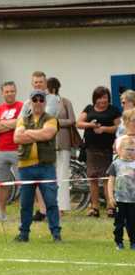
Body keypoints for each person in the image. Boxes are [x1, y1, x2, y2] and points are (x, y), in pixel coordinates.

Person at [13, 89, 61, 242]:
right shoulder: (22, 118)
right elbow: (17, 138)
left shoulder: (51, 119)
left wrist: (28, 132)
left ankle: (56, 234)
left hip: (46, 166)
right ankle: (24, 234)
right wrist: (37, 134)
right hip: (25, 167)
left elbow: (48, 134)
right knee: (25, 203)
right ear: (30, 102)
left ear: (45, 102)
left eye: (41, 100)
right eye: (35, 100)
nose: (38, 103)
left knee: (51, 201)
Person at [76, 86, 121, 218]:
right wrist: (91, 125)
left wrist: (104, 129)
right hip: (91, 149)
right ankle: (94, 207)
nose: (103, 100)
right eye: (100, 97)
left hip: (107, 149)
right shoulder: (89, 108)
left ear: (108, 98)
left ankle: (110, 206)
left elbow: (118, 127)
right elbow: (78, 123)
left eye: (105, 97)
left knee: (107, 178)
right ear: (95, 98)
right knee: (93, 178)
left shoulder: (113, 110)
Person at [0, 81, 23, 221]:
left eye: (12, 91)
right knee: (2, 183)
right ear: (2, 93)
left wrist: (2, 123)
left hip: (18, 149)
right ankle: (1, 212)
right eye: (7, 91)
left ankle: (24, 212)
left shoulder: (22, 106)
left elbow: (22, 123)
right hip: (1, 150)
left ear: (15, 91)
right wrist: (13, 124)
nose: (9, 93)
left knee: (23, 183)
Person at [47, 77, 76, 214]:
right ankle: (49, 206)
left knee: (62, 174)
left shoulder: (65, 102)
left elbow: (72, 120)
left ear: (53, 89)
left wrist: (56, 122)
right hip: (47, 143)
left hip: (63, 142)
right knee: (49, 176)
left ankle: (61, 207)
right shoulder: (42, 102)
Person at [107, 134, 135, 250]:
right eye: (128, 149)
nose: (130, 152)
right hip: (120, 199)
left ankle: (133, 242)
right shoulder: (116, 164)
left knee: (132, 223)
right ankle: (119, 242)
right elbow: (110, 181)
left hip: (133, 200)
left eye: (133, 150)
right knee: (119, 223)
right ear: (119, 150)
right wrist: (111, 197)